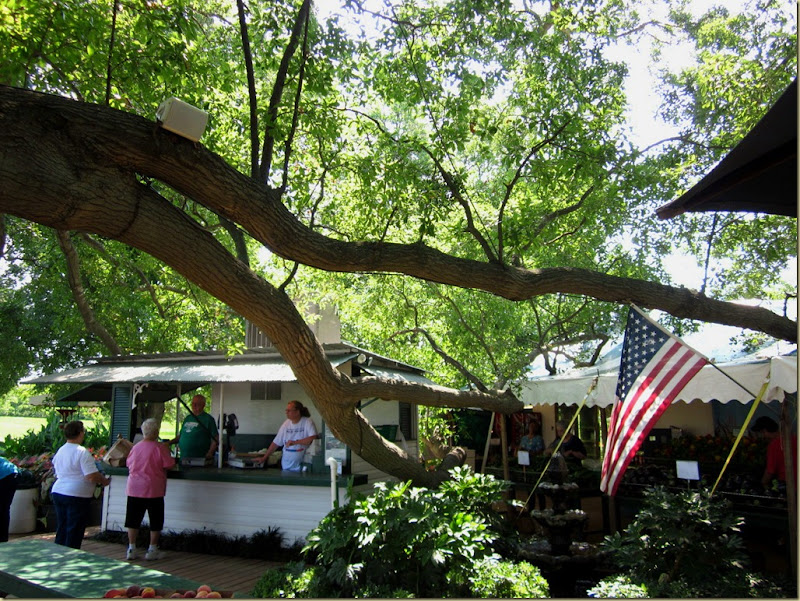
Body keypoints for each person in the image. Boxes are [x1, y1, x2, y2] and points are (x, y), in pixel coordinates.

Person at [51, 420, 111, 548]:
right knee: (74, 529)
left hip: (58, 490)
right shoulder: (82, 452)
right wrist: (104, 481)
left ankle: (58, 554)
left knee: (62, 527)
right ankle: (71, 557)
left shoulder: (61, 450)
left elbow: (56, 471)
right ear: (80, 433)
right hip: (76, 495)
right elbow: (91, 475)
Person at [124, 418, 176, 561]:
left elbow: (128, 463)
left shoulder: (135, 447)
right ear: (156, 431)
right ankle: (152, 549)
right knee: (156, 519)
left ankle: (131, 548)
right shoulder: (159, 448)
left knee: (133, 519)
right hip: (153, 489)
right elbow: (169, 464)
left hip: (134, 487)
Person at [254, 400, 318, 472]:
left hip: (302, 467)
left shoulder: (307, 422)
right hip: (286, 466)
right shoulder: (286, 424)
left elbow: (313, 438)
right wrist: (264, 458)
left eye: (289, 410)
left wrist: (296, 442)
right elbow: (276, 443)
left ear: (297, 412)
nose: (286, 412)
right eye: (286, 410)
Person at [751, 415, 797, 489]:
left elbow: (770, 471)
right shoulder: (794, 439)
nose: (762, 437)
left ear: (764, 431)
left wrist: (762, 484)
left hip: (787, 484)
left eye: (761, 433)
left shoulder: (774, 446)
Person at [169, 394, 218, 461]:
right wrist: (169, 443)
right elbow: (180, 436)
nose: (194, 406)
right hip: (184, 457)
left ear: (203, 405)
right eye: (193, 403)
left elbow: (215, 438)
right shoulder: (188, 418)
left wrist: (210, 452)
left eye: (197, 404)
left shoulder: (208, 419)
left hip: (199, 458)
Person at [0, 455, 19, 542]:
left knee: (2, 508)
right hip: (14, 474)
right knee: (4, 508)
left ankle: (2, 538)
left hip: (6, 476)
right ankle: (3, 538)